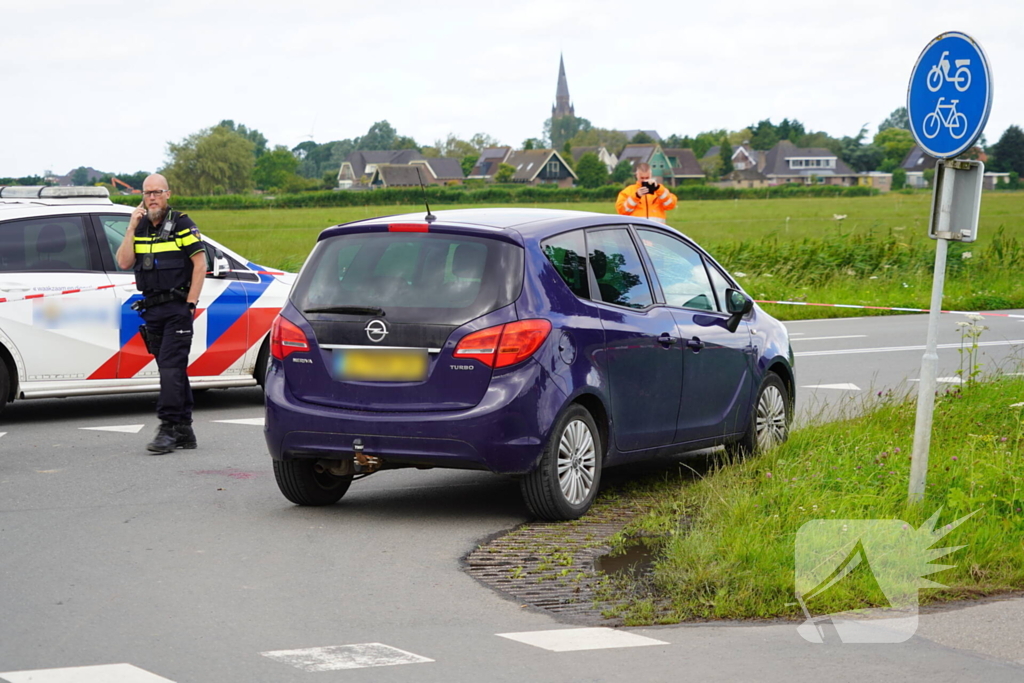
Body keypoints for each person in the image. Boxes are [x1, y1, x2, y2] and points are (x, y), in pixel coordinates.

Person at [115, 174, 206, 454]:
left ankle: (167, 428)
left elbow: (200, 265)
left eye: (157, 192)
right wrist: (130, 229)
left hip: (178, 308)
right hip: (152, 309)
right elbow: (123, 261)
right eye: (147, 193)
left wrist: (191, 305)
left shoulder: (181, 224)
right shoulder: (140, 226)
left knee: (169, 368)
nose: (152, 197)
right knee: (173, 370)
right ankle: (184, 429)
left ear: (168, 194)